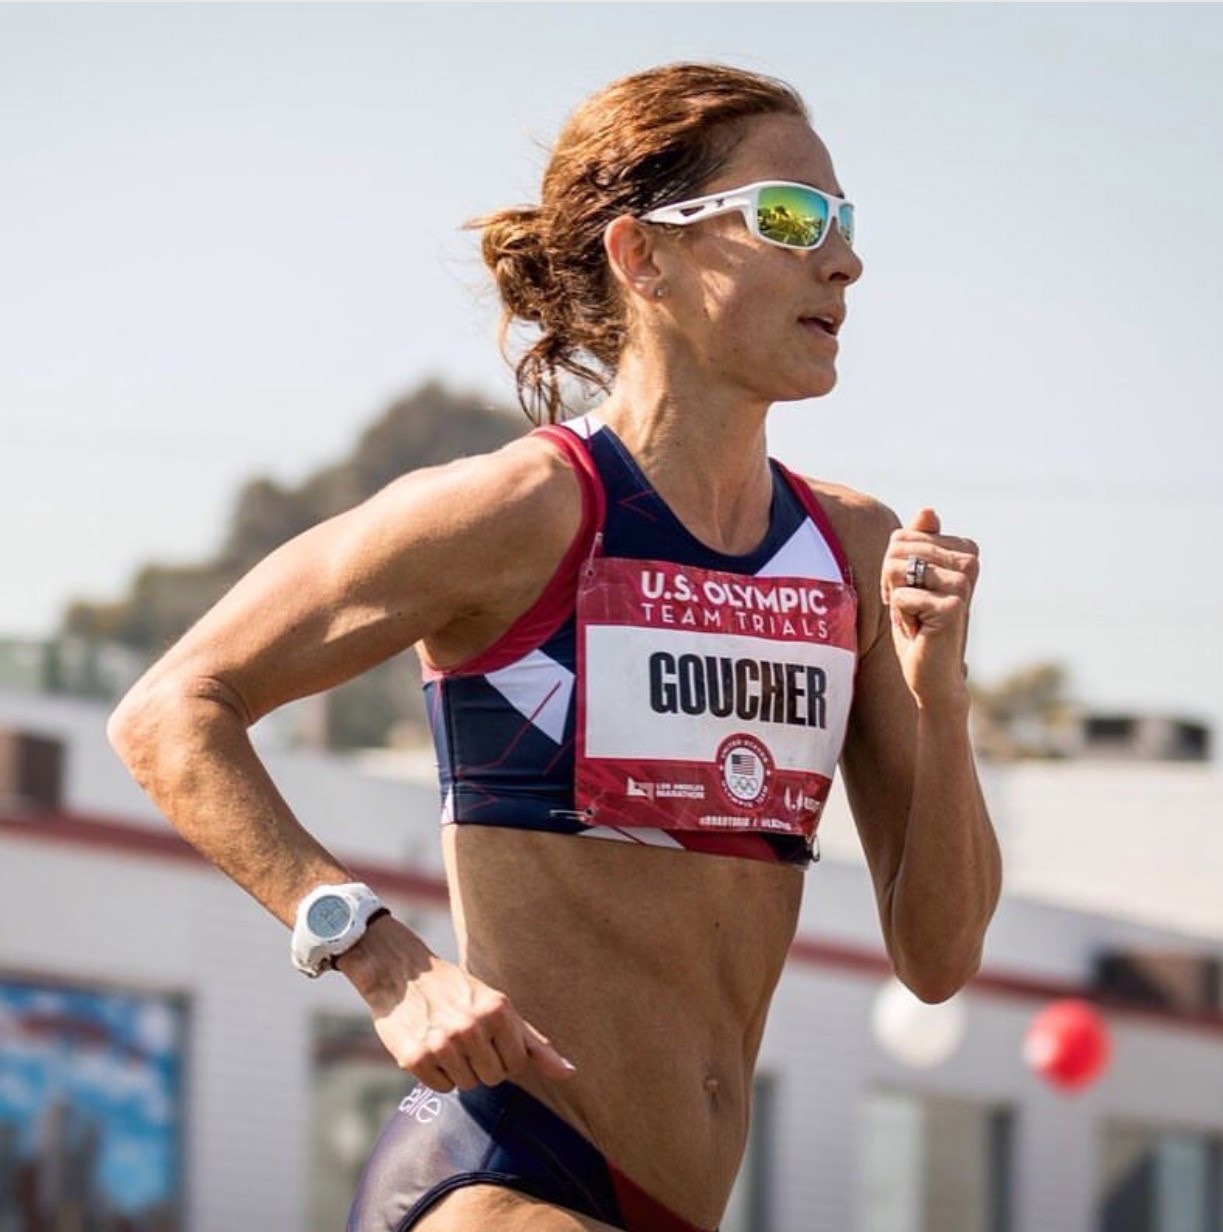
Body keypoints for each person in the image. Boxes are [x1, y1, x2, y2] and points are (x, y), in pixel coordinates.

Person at [109, 62, 1001, 1232]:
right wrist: (378, 954)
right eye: (789, 218)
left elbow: (935, 956)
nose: (841, 261)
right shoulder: (522, 509)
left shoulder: (851, 548)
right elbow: (171, 708)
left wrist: (940, 697)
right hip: (508, 1169)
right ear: (645, 258)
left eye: (843, 225)